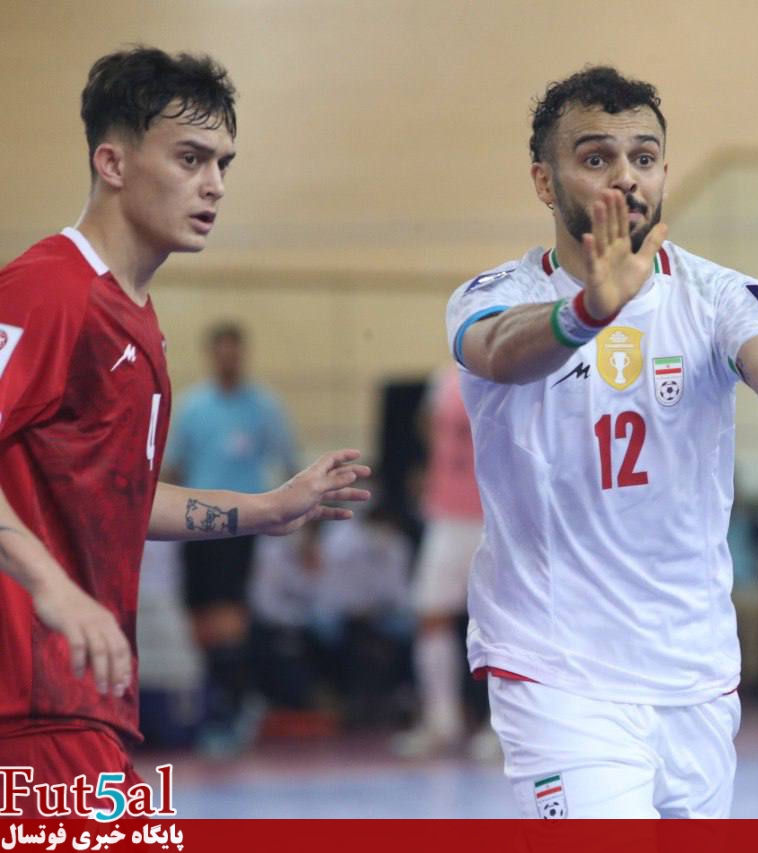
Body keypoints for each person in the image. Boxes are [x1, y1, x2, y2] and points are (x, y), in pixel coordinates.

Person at [445, 66, 758, 819]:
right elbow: (496, 352)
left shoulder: (718, 292)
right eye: (597, 158)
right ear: (544, 181)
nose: (626, 177)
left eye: (645, 157)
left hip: (694, 670)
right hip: (558, 670)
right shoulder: (498, 294)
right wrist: (588, 311)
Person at [0, 47, 369, 814]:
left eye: (223, 164)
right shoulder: (49, 291)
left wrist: (268, 506)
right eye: (190, 158)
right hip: (29, 696)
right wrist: (53, 589)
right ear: (113, 162)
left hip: (78, 698)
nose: (215, 185)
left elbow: (118, 498)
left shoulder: (136, 320)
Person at [165, 321, 299, 752]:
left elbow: (289, 462)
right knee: (200, 620)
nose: (227, 358)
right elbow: (174, 466)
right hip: (194, 524)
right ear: (211, 355)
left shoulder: (263, 406)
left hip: (241, 523)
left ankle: (235, 708)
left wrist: (297, 523)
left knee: (229, 617)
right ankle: (224, 700)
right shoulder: (193, 407)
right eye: (220, 351)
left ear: (242, 353)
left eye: (233, 350)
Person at [392, 364, 488, 757]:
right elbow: (427, 425)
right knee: (431, 614)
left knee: (501, 624)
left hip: (491, 516)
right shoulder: (443, 380)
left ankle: (502, 727)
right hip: (446, 514)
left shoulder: (511, 370)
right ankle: (441, 721)